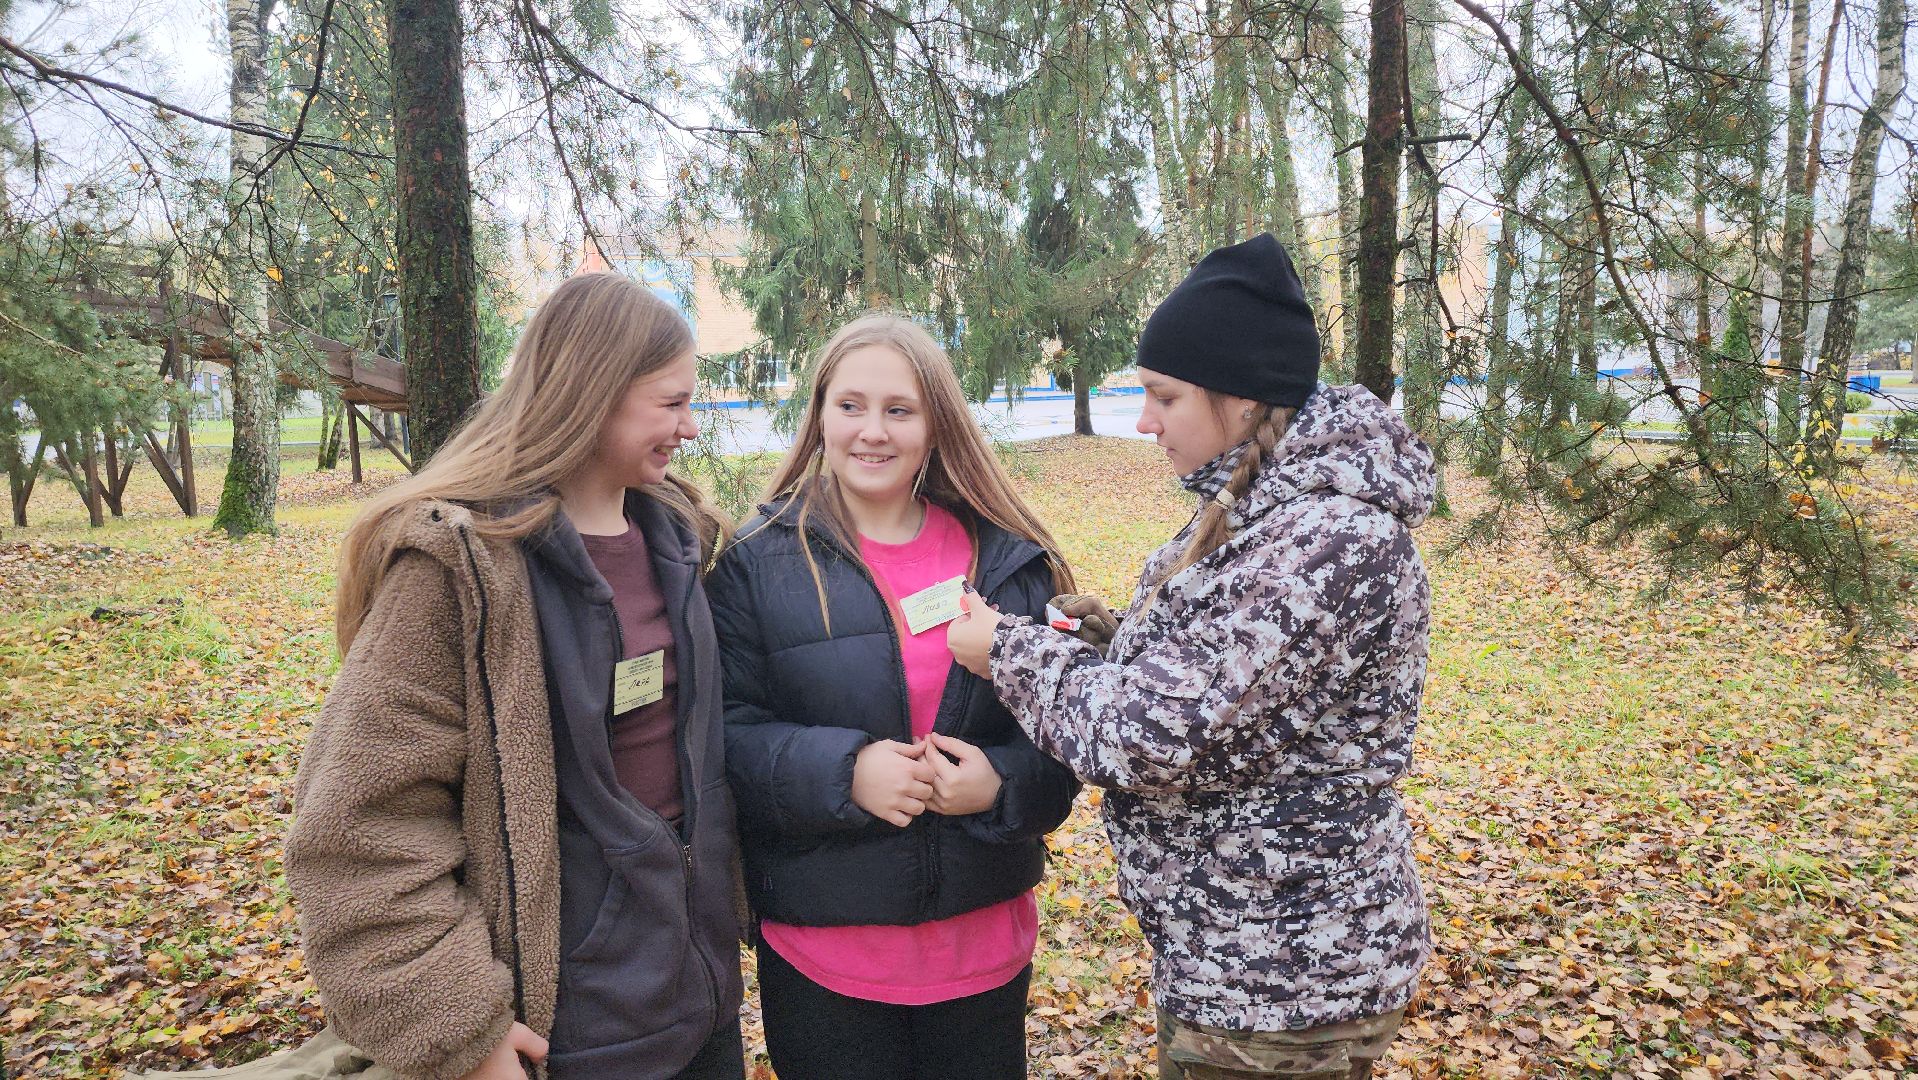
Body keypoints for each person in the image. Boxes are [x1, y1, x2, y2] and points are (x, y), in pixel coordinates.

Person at [948, 233, 1435, 1080]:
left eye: (1164, 397)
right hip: (1240, 955)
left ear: (1241, 398)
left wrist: (1006, 650)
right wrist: (1109, 640)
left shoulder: (1330, 540)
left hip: (1288, 983)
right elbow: (1227, 680)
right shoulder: (1264, 510)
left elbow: (1152, 740)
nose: (1145, 422)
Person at [285, 272, 746, 1080]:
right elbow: (358, 833)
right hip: (562, 1031)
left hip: (699, 1003)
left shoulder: (680, 539)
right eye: (672, 403)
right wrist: (463, 1033)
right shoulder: (456, 572)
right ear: (594, 390)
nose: (691, 428)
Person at [706, 314, 1079, 1080]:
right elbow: (721, 740)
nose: (871, 432)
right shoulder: (756, 562)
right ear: (818, 416)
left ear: (935, 425)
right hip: (826, 962)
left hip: (983, 955)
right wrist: (845, 773)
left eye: (898, 410)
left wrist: (1000, 785)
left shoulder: (1005, 559)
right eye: (851, 406)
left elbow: (1066, 741)